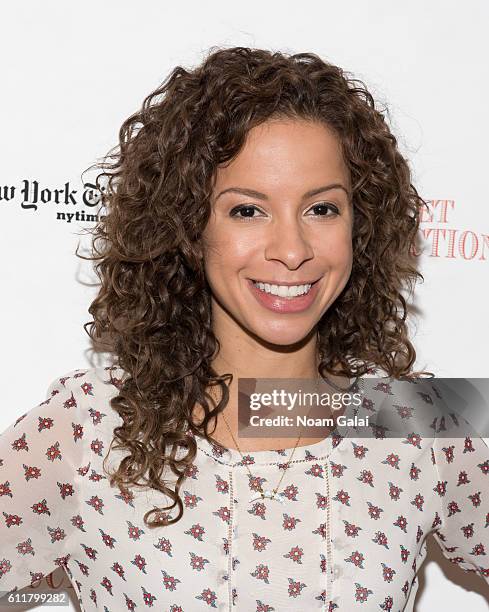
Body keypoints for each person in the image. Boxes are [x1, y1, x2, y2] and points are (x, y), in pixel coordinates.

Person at [1, 46, 488, 611]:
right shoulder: (92, 426)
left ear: (361, 225)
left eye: (322, 209)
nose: (291, 251)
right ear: (187, 227)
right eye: (247, 210)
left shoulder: (414, 415)